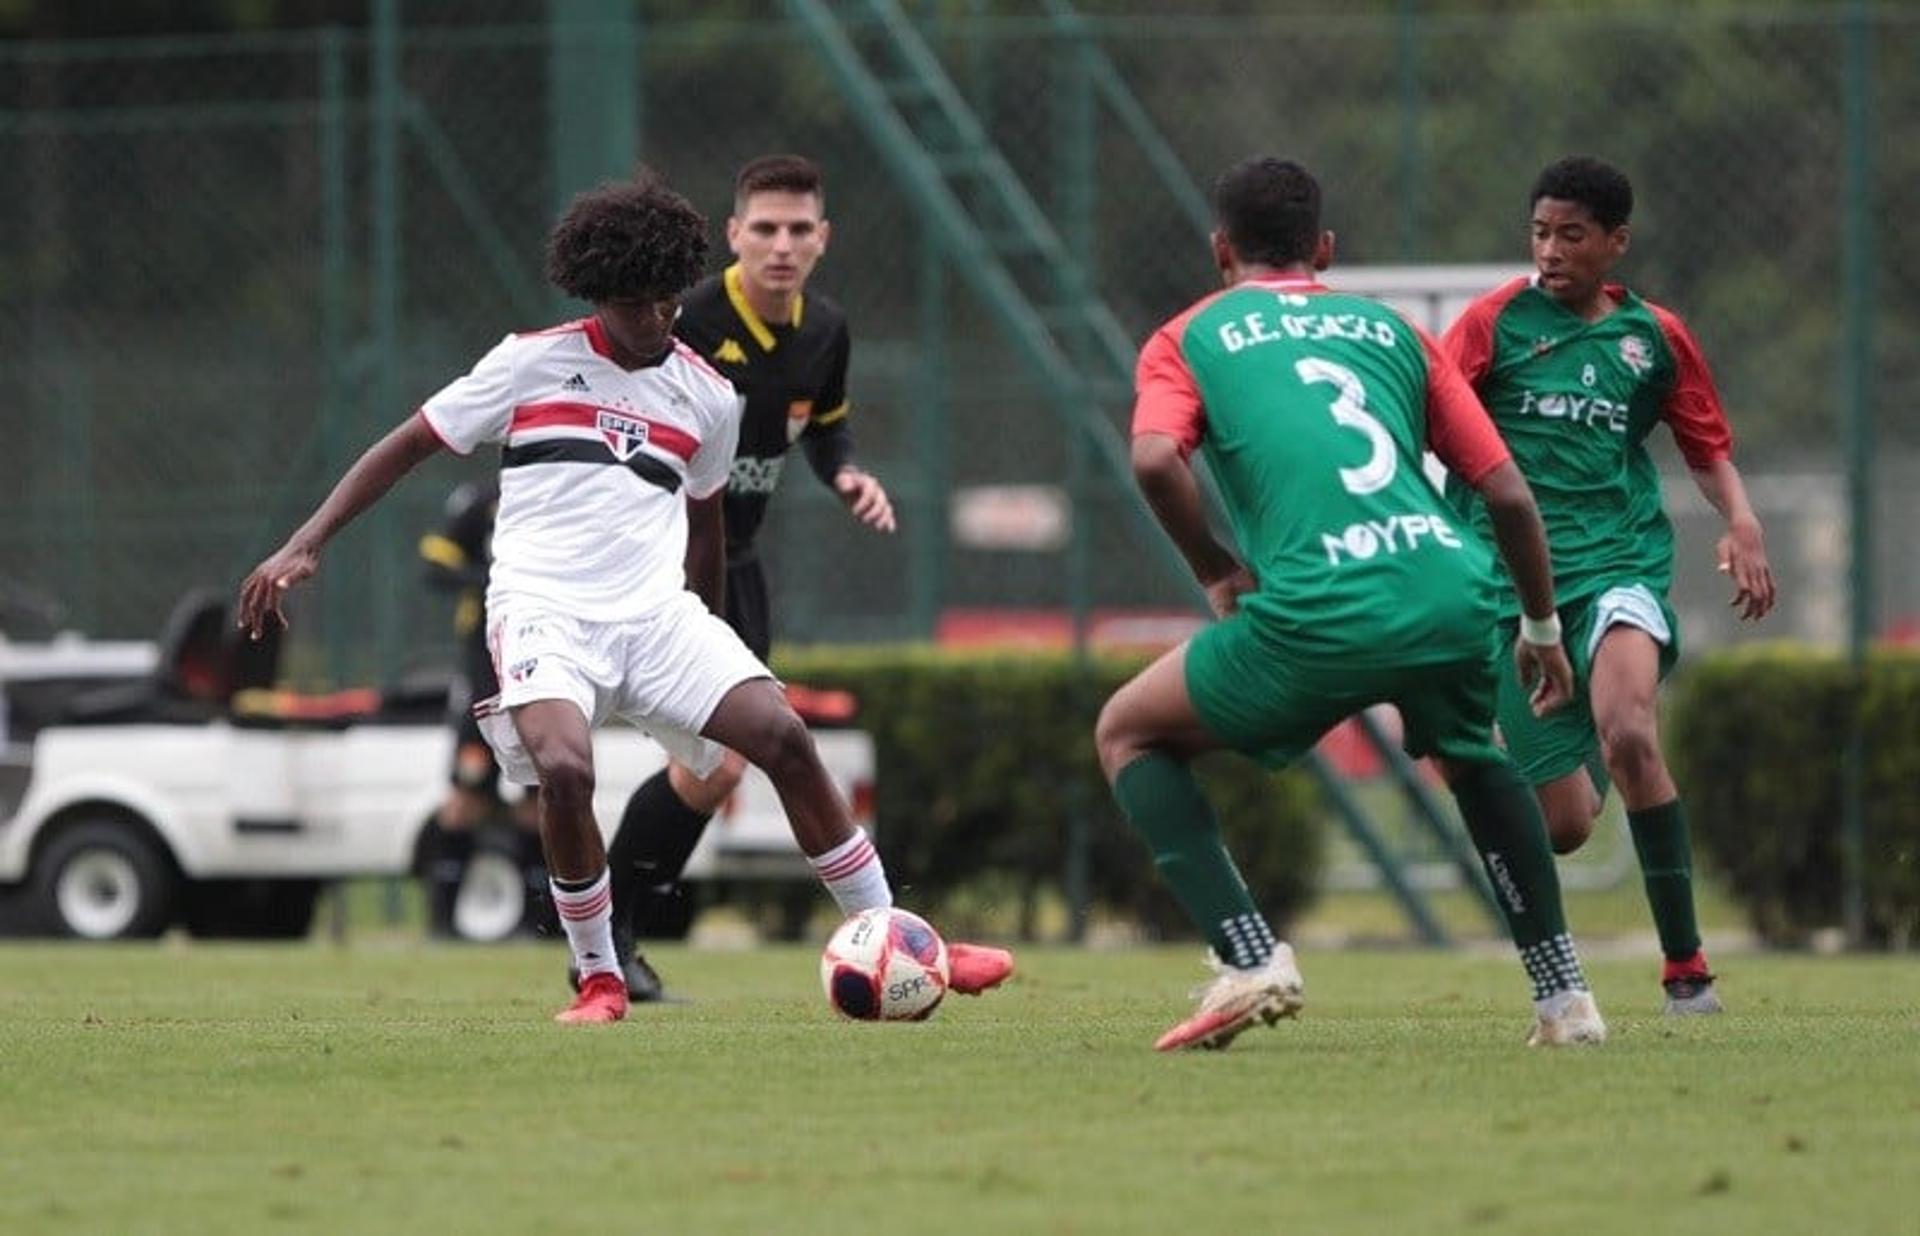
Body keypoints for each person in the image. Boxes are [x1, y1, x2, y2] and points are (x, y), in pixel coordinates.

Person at [237, 170, 1011, 1024]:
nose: (655, 321)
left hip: (657, 618)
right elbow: (406, 445)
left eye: (668, 302)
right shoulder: (529, 362)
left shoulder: (707, 395)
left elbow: (707, 525)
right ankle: (600, 976)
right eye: (633, 304)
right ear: (596, 293)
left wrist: (714, 637)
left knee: (783, 737)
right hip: (544, 612)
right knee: (567, 770)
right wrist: (303, 544)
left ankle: (901, 937)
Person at [1096, 155, 1605, 1051]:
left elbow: (1150, 460)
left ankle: (1251, 959)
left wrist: (1216, 567)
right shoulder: (1393, 331)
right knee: (1474, 754)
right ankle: (1565, 1000)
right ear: (1324, 250)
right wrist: (1541, 628)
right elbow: (1512, 497)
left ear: (1222, 251)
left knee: (1128, 732)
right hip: (1449, 588)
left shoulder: (1188, 335)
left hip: (1319, 608)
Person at [1442, 155, 1776, 1015]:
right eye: (1540, 233)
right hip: (1513, 591)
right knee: (1562, 828)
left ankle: (1686, 968)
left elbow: (1705, 447)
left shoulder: (1653, 340)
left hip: (1618, 567)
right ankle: (1545, 732)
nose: (1550, 251)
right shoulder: (1490, 326)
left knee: (1631, 732)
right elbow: (1427, 419)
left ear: (1616, 243)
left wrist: (1741, 521)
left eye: (1572, 235)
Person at [589, 154, 896, 999]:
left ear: (823, 239)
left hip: (736, 564)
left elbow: (825, 427)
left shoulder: (825, 329)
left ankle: (611, 940)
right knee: (718, 763)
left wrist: (846, 476)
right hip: (656, 565)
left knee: (718, 767)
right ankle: (605, 937)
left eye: (800, 229)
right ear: (733, 234)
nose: (782, 245)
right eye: (764, 228)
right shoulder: (683, 319)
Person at [415, 478, 550, 942]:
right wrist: (488, 577)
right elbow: (434, 567)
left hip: (543, 667)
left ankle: (540, 922)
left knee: (542, 797)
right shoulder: (479, 502)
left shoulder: (558, 492)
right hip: (483, 675)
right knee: (465, 795)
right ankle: (443, 922)